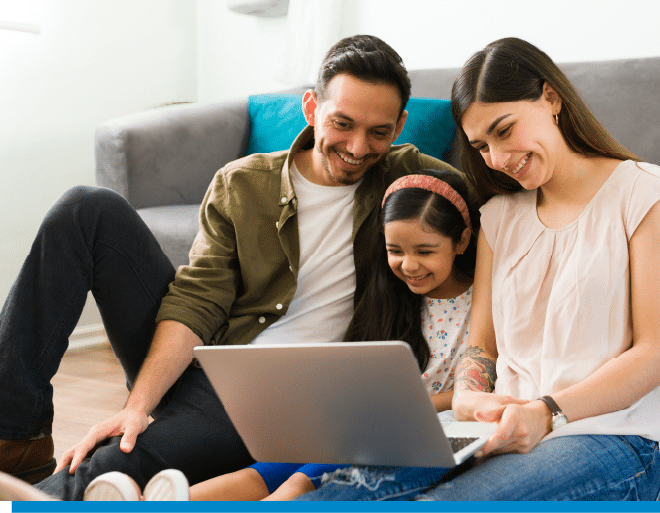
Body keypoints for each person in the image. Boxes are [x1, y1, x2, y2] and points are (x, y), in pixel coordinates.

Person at [0, 35, 463, 500]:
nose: (358, 147)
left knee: (108, 464)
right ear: (310, 107)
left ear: (401, 125)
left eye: (379, 132)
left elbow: (502, 210)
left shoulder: (414, 182)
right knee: (86, 209)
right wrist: (138, 405)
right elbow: (197, 300)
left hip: (277, 404)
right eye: (341, 123)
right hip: (205, 354)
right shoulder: (243, 183)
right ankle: (15, 436)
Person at [294, 37, 660, 501]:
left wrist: (547, 412)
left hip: (610, 435)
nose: (498, 160)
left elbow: (655, 354)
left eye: (504, 130)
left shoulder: (648, 196)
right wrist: (468, 396)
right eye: (481, 146)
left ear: (551, 97)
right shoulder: (500, 216)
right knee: (339, 492)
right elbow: (481, 347)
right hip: (495, 427)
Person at [80, 168, 480, 501]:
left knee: (296, 483)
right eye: (396, 250)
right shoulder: (389, 297)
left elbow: (475, 388)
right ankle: (153, 501)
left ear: (461, 240)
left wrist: (407, 406)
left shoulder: (481, 304)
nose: (408, 265)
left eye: (425, 251)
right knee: (263, 472)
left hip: (429, 430)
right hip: (364, 422)